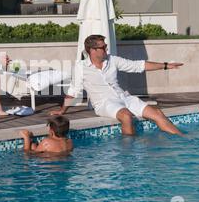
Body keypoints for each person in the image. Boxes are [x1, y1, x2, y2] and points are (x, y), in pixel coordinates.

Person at [50, 34, 184, 136]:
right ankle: (129, 154)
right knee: (126, 116)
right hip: (104, 103)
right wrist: (62, 111)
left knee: (157, 113)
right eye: (103, 47)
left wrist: (166, 66)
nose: (106, 49)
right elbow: (74, 91)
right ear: (92, 50)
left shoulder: (112, 60)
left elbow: (138, 65)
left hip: (124, 98)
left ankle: (182, 139)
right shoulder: (81, 67)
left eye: (105, 46)